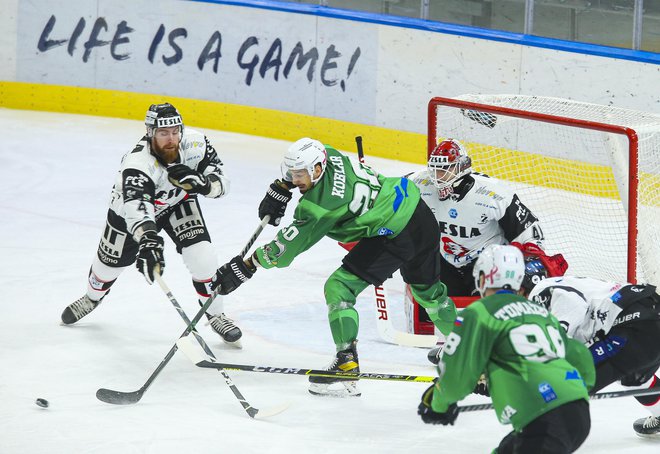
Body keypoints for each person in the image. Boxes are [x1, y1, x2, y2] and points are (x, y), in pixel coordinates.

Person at [211, 137, 457, 396]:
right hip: (418, 212)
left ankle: (345, 365)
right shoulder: (330, 154)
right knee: (430, 294)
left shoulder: (318, 207)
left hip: (393, 233)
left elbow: (284, 252)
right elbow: (309, 177)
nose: (296, 180)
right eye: (292, 174)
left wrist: (247, 265)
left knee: (339, 288)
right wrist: (282, 187)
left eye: (299, 175)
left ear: (317, 169)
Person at [61, 103, 242, 345]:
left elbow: (222, 181)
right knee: (107, 267)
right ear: (150, 132)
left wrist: (204, 184)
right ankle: (92, 298)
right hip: (128, 213)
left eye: (176, 131)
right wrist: (148, 238)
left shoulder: (197, 144)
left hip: (178, 202)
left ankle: (215, 312)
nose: (171, 139)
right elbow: (136, 206)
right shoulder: (138, 164)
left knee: (203, 256)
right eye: (163, 133)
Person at [418, 244, 595, 453]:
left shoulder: (479, 313)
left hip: (544, 416)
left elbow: (456, 377)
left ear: (483, 279)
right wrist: (573, 390)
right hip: (575, 413)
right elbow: (580, 356)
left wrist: (439, 404)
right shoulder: (541, 314)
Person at [411, 139, 567, 363]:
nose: (438, 176)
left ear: (462, 168)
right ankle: (454, 340)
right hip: (445, 259)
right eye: (435, 169)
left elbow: (530, 233)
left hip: (484, 261)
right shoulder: (419, 183)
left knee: (498, 300)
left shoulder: (493, 194)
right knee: (429, 287)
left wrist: (529, 261)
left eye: (445, 170)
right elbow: (387, 197)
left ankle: (508, 340)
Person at [521, 261, 660, 438]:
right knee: (635, 377)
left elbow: (573, 307)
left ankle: (536, 443)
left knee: (568, 385)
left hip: (635, 327)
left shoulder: (540, 291)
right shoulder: (559, 283)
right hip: (648, 318)